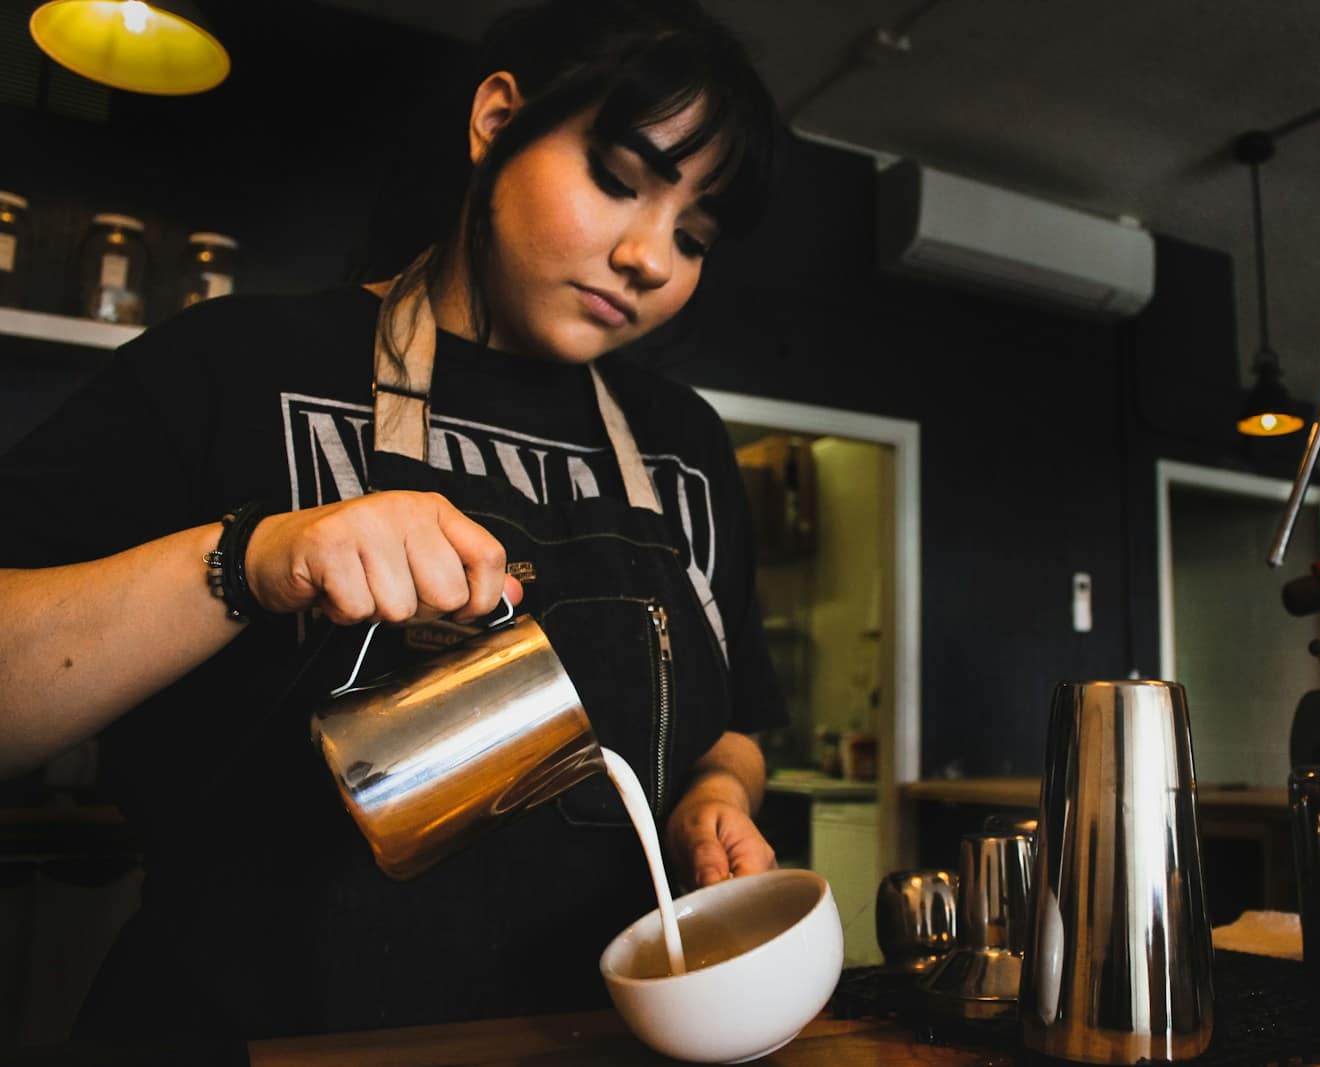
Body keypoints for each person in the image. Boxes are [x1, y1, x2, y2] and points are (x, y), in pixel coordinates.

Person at [0, 0, 787, 1040]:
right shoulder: (236, 364)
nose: (651, 256)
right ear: (495, 120)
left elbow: (732, 723)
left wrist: (713, 796)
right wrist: (257, 556)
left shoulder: (682, 443)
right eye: (616, 180)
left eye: (692, 234)